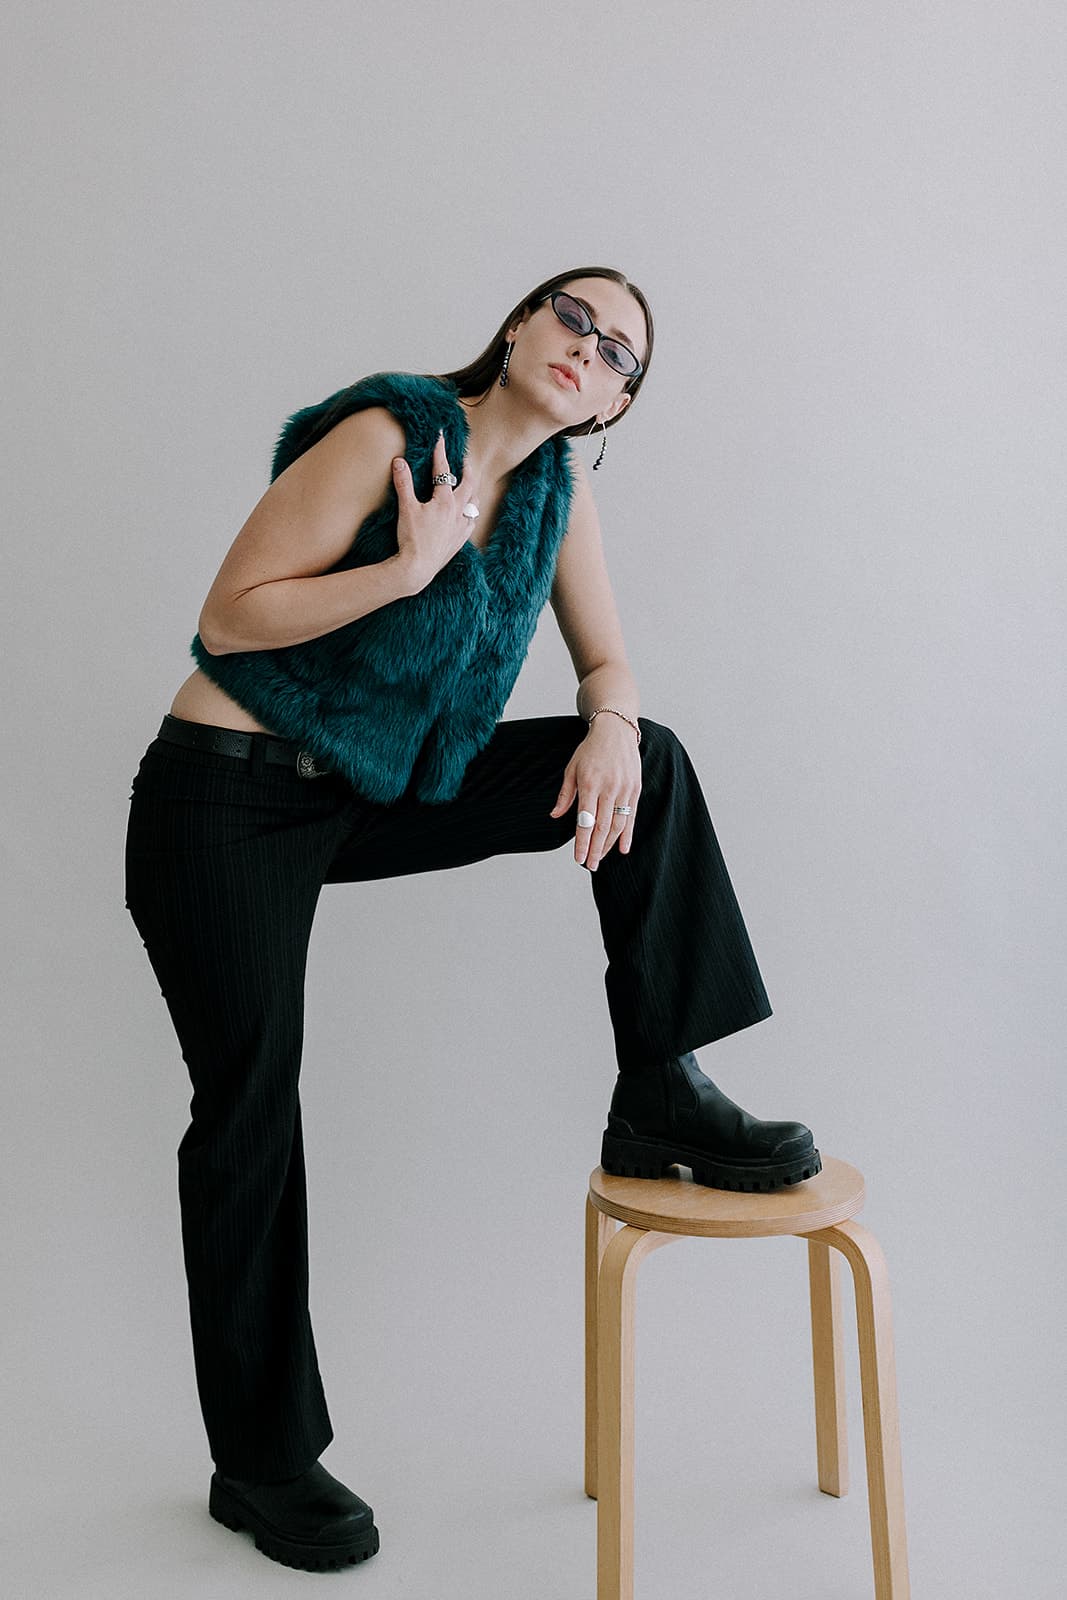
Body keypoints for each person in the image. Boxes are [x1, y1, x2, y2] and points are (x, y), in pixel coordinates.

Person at [124, 266, 821, 1572]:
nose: (591, 350)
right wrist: (403, 569)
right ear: (517, 326)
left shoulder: (560, 499)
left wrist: (609, 723)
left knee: (649, 759)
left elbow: (607, 661)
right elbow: (232, 616)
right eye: (577, 318)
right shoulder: (391, 434)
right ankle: (262, 1463)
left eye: (622, 354)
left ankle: (660, 1088)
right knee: (249, 1108)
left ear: (613, 405)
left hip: (371, 795)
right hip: (223, 799)